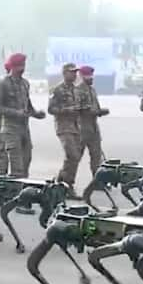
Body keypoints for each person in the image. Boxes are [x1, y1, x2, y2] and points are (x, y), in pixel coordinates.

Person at [0, 53, 45, 214]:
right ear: (13, 67)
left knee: (26, 162)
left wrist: (36, 114)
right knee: (17, 167)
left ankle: (18, 196)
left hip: (24, 129)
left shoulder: (25, 84)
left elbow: (28, 106)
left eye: (23, 66)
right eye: (19, 66)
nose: (22, 69)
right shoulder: (3, 84)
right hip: (9, 129)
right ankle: (18, 203)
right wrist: (16, 113)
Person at [48, 63, 83, 199]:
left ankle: (61, 181)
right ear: (64, 73)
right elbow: (51, 109)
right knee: (72, 156)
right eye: (71, 72)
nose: (74, 75)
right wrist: (66, 110)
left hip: (75, 127)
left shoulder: (76, 90)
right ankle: (68, 185)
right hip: (63, 127)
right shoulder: (57, 90)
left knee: (74, 158)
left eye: (75, 72)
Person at [76, 65, 108, 176]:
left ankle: (97, 180)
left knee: (96, 155)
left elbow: (96, 108)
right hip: (82, 128)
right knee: (75, 157)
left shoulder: (92, 90)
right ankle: (65, 180)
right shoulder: (78, 91)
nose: (90, 78)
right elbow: (78, 109)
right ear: (81, 76)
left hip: (93, 127)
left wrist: (99, 111)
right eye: (87, 76)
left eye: (91, 75)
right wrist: (97, 112)